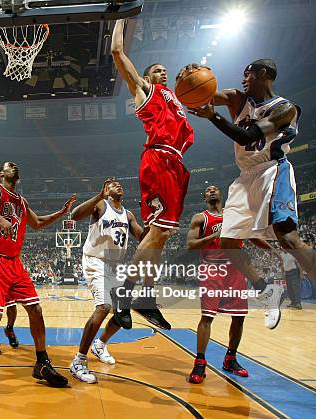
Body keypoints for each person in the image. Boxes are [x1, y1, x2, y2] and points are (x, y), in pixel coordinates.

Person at [188, 59, 316, 347]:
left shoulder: (285, 108)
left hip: (272, 170)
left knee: (287, 237)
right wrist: (185, 82)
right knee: (228, 243)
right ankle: (265, 289)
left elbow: (249, 135)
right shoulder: (236, 98)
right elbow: (201, 93)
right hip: (244, 177)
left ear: (264, 74)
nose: (243, 77)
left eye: (248, 72)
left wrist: (213, 117)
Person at [0, 161, 75, 407]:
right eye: (8, 165)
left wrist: (61, 213)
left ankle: (42, 363)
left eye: (15, 165)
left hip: (13, 263)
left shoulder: (21, 201)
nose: (14, 165)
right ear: (1, 174)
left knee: (36, 309)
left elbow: (38, 222)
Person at [110, 19, 195, 330]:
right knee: (157, 233)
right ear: (146, 78)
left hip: (176, 165)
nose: (163, 73)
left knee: (160, 236)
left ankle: (146, 298)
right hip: (158, 158)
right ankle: (125, 292)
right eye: (157, 70)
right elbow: (117, 52)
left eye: (164, 71)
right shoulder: (147, 90)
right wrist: (121, 18)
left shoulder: (178, 102)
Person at [69, 178, 145, 384]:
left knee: (123, 313)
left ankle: (100, 344)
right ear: (106, 190)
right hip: (95, 259)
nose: (117, 185)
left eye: (119, 183)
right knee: (103, 307)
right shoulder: (102, 205)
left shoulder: (128, 214)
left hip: (115, 265)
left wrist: (156, 223)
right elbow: (75, 215)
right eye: (112, 184)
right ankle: (78, 361)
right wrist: (99, 196)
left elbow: (142, 237)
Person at [186, 186, 249, 384]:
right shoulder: (200, 218)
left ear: (221, 195)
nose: (212, 191)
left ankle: (231, 358)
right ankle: (200, 363)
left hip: (235, 269)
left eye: (215, 189)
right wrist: (215, 236)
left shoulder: (234, 214)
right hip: (212, 269)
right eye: (208, 190)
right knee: (207, 317)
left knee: (239, 318)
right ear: (204, 197)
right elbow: (190, 245)